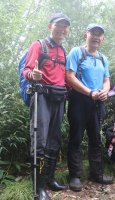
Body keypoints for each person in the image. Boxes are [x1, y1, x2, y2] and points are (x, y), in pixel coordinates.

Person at [22, 12, 70, 199]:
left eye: (65, 26)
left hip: (59, 98)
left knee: (54, 141)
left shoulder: (63, 50)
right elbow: (27, 70)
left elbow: (62, 76)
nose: (61, 29)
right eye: (58, 25)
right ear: (50, 26)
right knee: (40, 142)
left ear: (67, 30)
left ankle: (49, 179)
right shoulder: (39, 45)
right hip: (42, 96)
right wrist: (31, 75)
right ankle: (38, 188)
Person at [66, 23, 113, 192]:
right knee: (76, 138)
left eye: (99, 34)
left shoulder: (102, 58)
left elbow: (107, 79)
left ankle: (96, 173)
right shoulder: (77, 52)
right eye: (93, 33)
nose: (96, 37)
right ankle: (75, 176)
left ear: (102, 38)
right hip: (79, 101)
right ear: (86, 34)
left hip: (97, 102)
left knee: (95, 139)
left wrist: (105, 92)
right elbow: (70, 77)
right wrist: (90, 92)